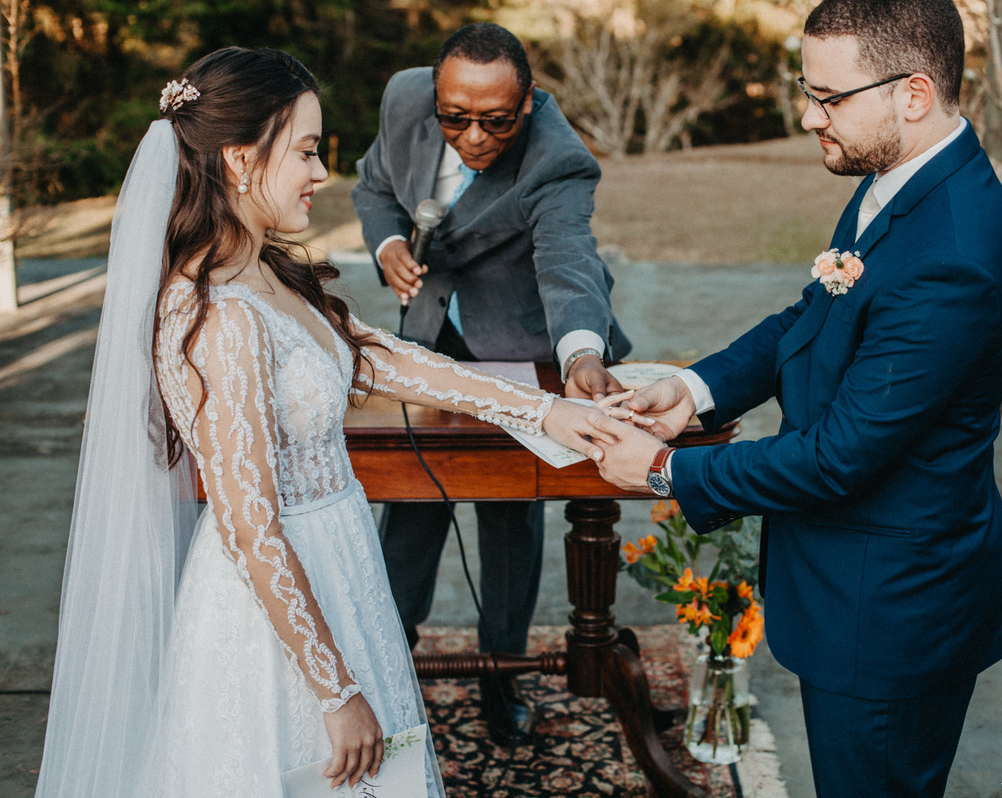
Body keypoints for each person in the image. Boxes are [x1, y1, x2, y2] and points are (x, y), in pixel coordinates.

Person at [34, 47, 618, 798]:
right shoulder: (217, 316)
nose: (321, 174)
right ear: (242, 159)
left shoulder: (263, 268)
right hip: (275, 613)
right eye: (307, 151)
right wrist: (335, 693)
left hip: (340, 568)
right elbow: (251, 525)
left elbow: (382, 358)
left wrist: (545, 410)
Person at [586, 0, 1002, 795]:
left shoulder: (954, 256)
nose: (806, 115)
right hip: (855, 587)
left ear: (914, 95)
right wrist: (696, 389)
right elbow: (813, 314)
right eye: (807, 89)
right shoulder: (899, 178)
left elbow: (838, 459)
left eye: (828, 98)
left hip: (891, 614)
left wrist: (661, 469)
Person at [351, 22, 631, 744]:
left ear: (529, 103)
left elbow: (568, 261)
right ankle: (391, 657)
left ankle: (503, 672)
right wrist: (386, 244)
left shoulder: (559, 160)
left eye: (495, 121)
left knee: (512, 508)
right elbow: (374, 181)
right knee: (411, 496)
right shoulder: (404, 98)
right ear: (435, 96)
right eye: (456, 118)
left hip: (527, 334)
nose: (472, 137)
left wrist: (579, 356)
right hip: (430, 333)